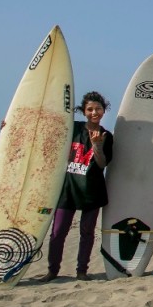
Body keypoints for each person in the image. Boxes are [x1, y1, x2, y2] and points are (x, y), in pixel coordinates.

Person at [40, 91, 114, 282]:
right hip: (68, 189)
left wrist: (97, 145)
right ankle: (53, 270)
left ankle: (82, 271)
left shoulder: (107, 136)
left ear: (104, 111)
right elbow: (46, 131)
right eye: (90, 109)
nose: (94, 112)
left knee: (87, 233)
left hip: (92, 190)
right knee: (58, 232)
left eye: (98, 109)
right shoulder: (73, 128)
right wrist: (9, 126)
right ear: (83, 111)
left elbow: (102, 164)